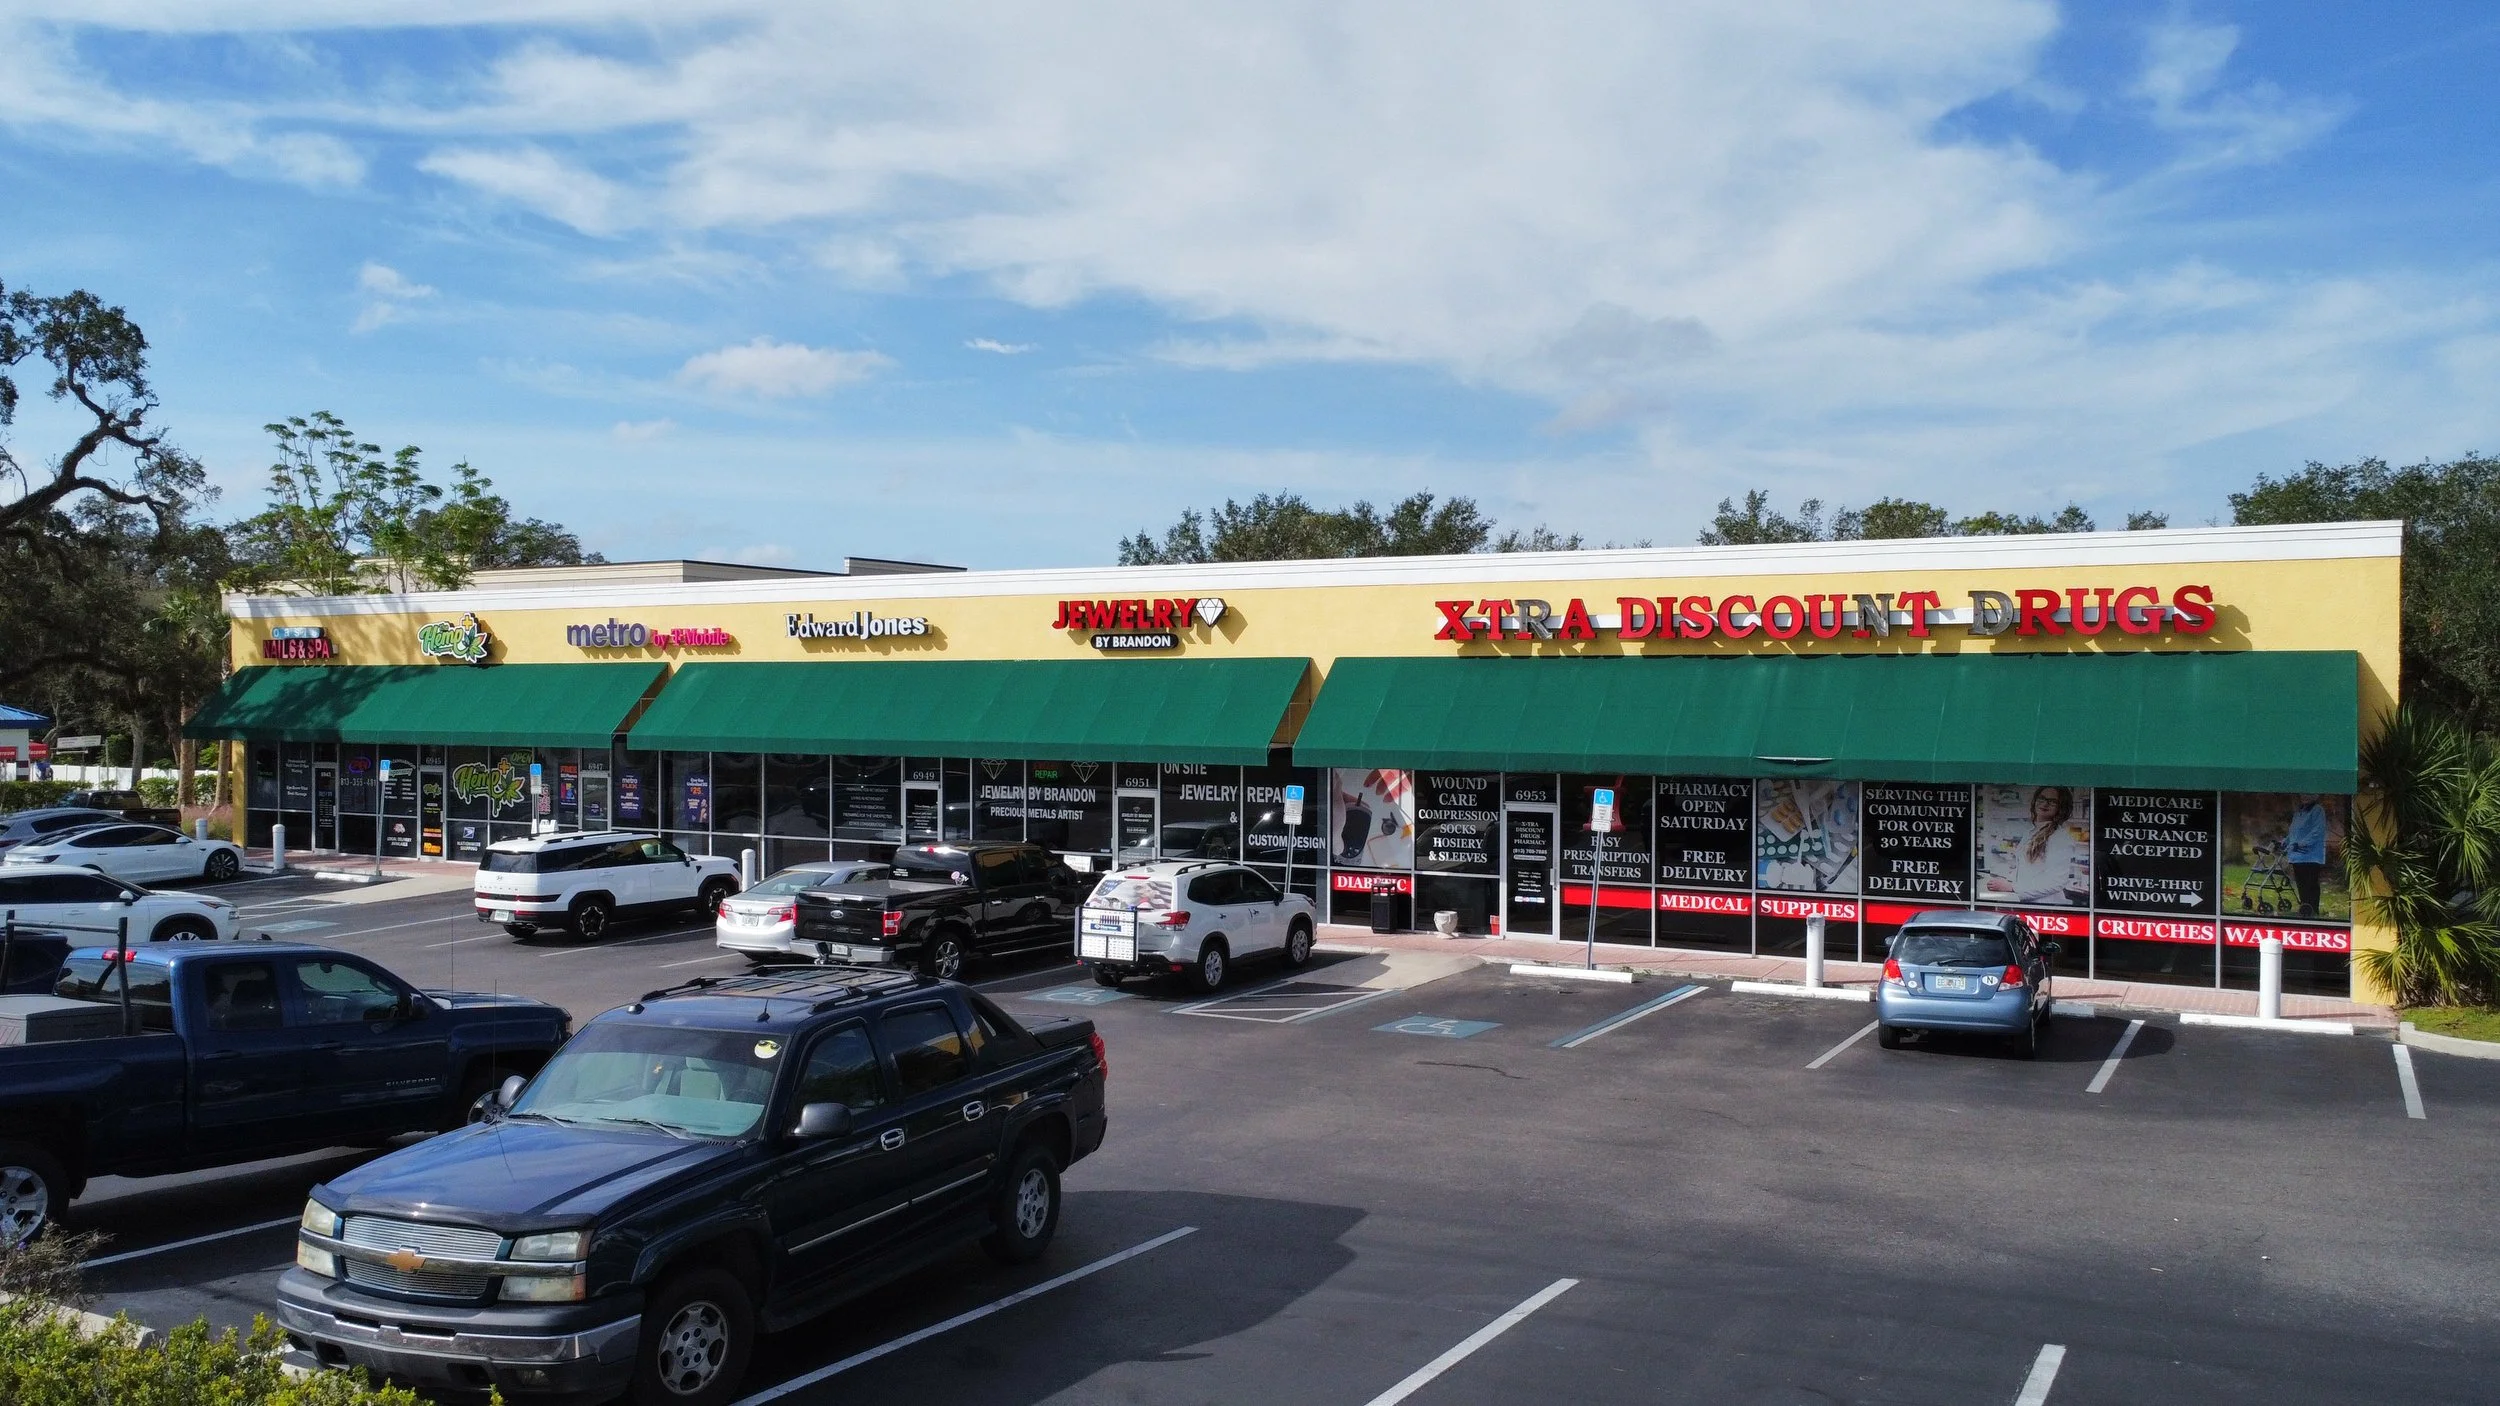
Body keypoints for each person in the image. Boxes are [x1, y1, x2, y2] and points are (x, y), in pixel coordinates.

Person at [2003, 786, 2087, 905]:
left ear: (2061, 807)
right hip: (2028, 902)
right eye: (2041, 798)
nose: (2045, 804)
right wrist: (2009, 879)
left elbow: (2056, 882)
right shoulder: (2031, 831)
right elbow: (2028, 870)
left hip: (2047, 906)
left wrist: (2013, 887)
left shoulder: (2060, 837)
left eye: (2052, 801)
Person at [2285, 794, 2329, 918]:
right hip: (2297, 856)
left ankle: (2313, 910)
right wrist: (2285, 842)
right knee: (2301, 885)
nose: (2304, 797)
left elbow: (2318, 831)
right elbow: (2293, 832)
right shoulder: (2299, 812)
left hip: (2311, 856)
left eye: (2308, 795)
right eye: (2303, 794)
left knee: (2311, 884)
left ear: (2314, 797)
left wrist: (2302, 843)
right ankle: (2304, 910)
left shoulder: (2317, 810)